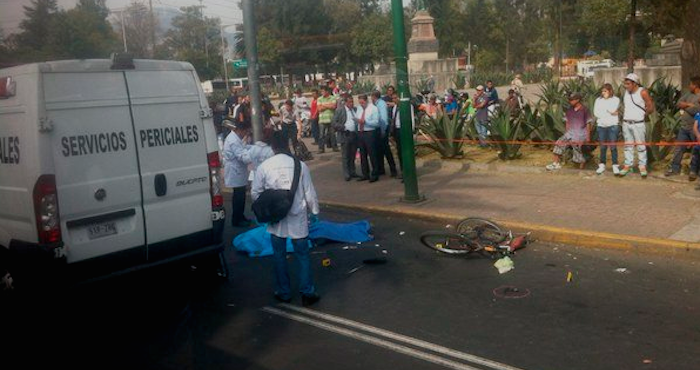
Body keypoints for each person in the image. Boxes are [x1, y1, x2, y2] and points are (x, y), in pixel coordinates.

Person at [251, 131, 321, 306]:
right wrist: (315, 212)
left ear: (272, 147)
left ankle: (284, 292)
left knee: (279, 255)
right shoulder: (300, 166)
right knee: (303, 255)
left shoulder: (264, 167)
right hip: (297, 216)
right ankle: (307, 293)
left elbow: (255, 193)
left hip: (276, 219)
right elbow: (309, 193)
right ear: (287, 143)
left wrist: (267, 208)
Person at [619, 73, 655, 178]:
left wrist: (644, 114)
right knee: (628, 145)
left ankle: (642, 165)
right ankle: (628, 164)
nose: (626, 86)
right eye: (625, 83)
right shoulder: (626, 92)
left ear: (635, 83)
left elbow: (650, 106)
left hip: (638, 123)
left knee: (641, 145)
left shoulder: (642, 92)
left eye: (628, 83)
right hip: (626, 122)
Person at [546, 92, 593, 171]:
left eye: (571, 99)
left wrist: (588, 136)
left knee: (577, 150)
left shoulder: (585, 110)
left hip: (580, 134)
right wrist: (566, 133)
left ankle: (581, 168)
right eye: (569, 99)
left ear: (578, 100)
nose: (569, 101)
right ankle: (555, 164)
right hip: (570, 133)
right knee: (559, 143)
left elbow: (588, 123)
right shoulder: (569, 110)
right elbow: (567, 122)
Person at [666, 76, 700, 179]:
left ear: (695, 85)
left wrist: (685, 106)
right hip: (684, 127)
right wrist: (689, 105)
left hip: (695, 128)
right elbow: (678, 103)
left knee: (696, 149)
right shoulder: (688, 94)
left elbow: (696, 111)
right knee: (679, 148)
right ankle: (674, 168)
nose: (689, 86)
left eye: (690, 84)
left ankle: (694, 171)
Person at [223, 120, 253, 227]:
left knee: (241, 195)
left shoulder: (236, 138)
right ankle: (237, 219)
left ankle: (240, 216)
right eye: (245, 131)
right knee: (238, 197)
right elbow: (242, 156)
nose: (245, 134)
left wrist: (251, 149)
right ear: (240, 130)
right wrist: (254, 156)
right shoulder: (233, 140)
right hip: (235, 171)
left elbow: (243, 148)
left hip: (238, 170)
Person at [593, 83, 621, 175]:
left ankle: (615, 165)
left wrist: (606, 110)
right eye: (602, 91)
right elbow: (596, 112)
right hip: (601, 125)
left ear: (610, 91)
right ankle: (602, 165)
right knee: (603, 147)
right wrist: (607, 113)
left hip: (612, 125)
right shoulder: (598, 100)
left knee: (613, 146)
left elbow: (613, 110)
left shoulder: (616, 99)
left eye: (605, 91)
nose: (603, 93)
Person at [355, 94, 381, 182]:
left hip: (369, 132)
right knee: (363, 154)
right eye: (360, 103)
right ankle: (365, 173)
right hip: (361, 132)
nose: (361, 104)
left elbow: (376, 122)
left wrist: (366, 122)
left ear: (366, 101)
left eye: (362, 103)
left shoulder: (373, 108)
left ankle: (375, 173)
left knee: (372, 153)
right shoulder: (359, 108)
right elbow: (357, 118)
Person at [372, 91, 397, 177]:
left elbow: (384, 118)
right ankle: (381, 168)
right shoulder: (377, 104)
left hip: (383, 129)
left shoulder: (381, 104)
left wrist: (383, 131)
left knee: (386, 150)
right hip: (379, 129)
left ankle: (393, 169)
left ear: (374, 97)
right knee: (379, 150)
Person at [333, 95, 359, 181]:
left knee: (352, 154)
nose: (351, 104)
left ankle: (353, 171)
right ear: (346, 102)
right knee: (345, 155)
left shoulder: (355, 109)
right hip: (345, 134)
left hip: (354, 135)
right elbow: (334, 123)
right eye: (349, 102)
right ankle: (346, 173)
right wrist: (343, 127)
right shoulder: (340, 110)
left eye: (352, 102)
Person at [317, 87, 338, 153]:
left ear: (327, 92)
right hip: (322, 119)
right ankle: (321, 148)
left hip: (331, 119)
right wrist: (329, 105)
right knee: (321, 135)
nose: (322, 93)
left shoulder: (333, 98)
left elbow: (334, 107)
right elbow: (319, 109)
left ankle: (335, 147)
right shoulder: (319, 99)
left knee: (332, 134)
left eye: (323, 91)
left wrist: (323, 105)